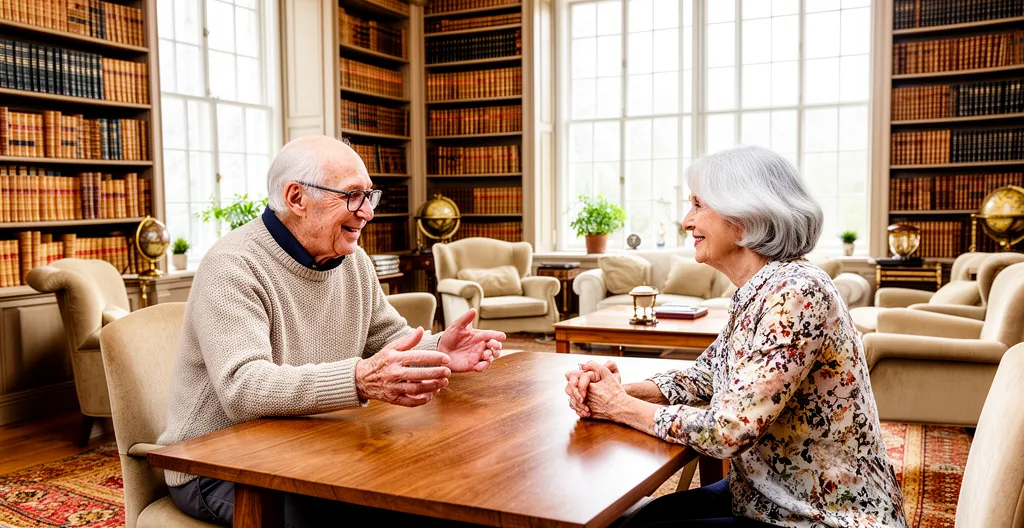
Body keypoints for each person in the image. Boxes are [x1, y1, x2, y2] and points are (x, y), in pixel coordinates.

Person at [159, 135, 505, 526]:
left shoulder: (352, 261)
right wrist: (359, 380)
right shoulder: (232, 265)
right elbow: (243, 388)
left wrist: (440, 347)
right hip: (217, 464)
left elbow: (389, 338)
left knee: (436, 486)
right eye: (352, 196)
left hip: (302, 445)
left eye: (369, 196)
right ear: (296, 198)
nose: (367, 213)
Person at [565, 146, 906, 528]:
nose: (686, 220)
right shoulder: (760, 287)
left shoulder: (797, 292)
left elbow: (727, 431)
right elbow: (706, 375)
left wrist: (618, 407)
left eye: (698, 205)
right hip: (768, 493)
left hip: (822, 515)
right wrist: (620, 390)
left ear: (743, 218)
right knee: (638, 519)